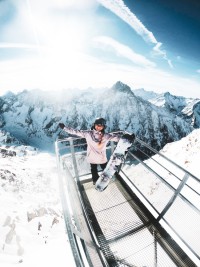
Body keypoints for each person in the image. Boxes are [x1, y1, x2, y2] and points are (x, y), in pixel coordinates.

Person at [59, 118, 122, 184]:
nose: (98, 127)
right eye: (97, 125)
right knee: (105, 169)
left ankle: (95, 181)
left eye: (100, 126)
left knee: (94, 170)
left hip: (92, 157)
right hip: (102, 158)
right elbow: (117, 138)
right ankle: (107, 180)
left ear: (103, 127)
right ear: (94, 125)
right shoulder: (106, 136)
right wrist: (126, 138)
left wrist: (65, 128)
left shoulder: (88, 133)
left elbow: (76, 132)